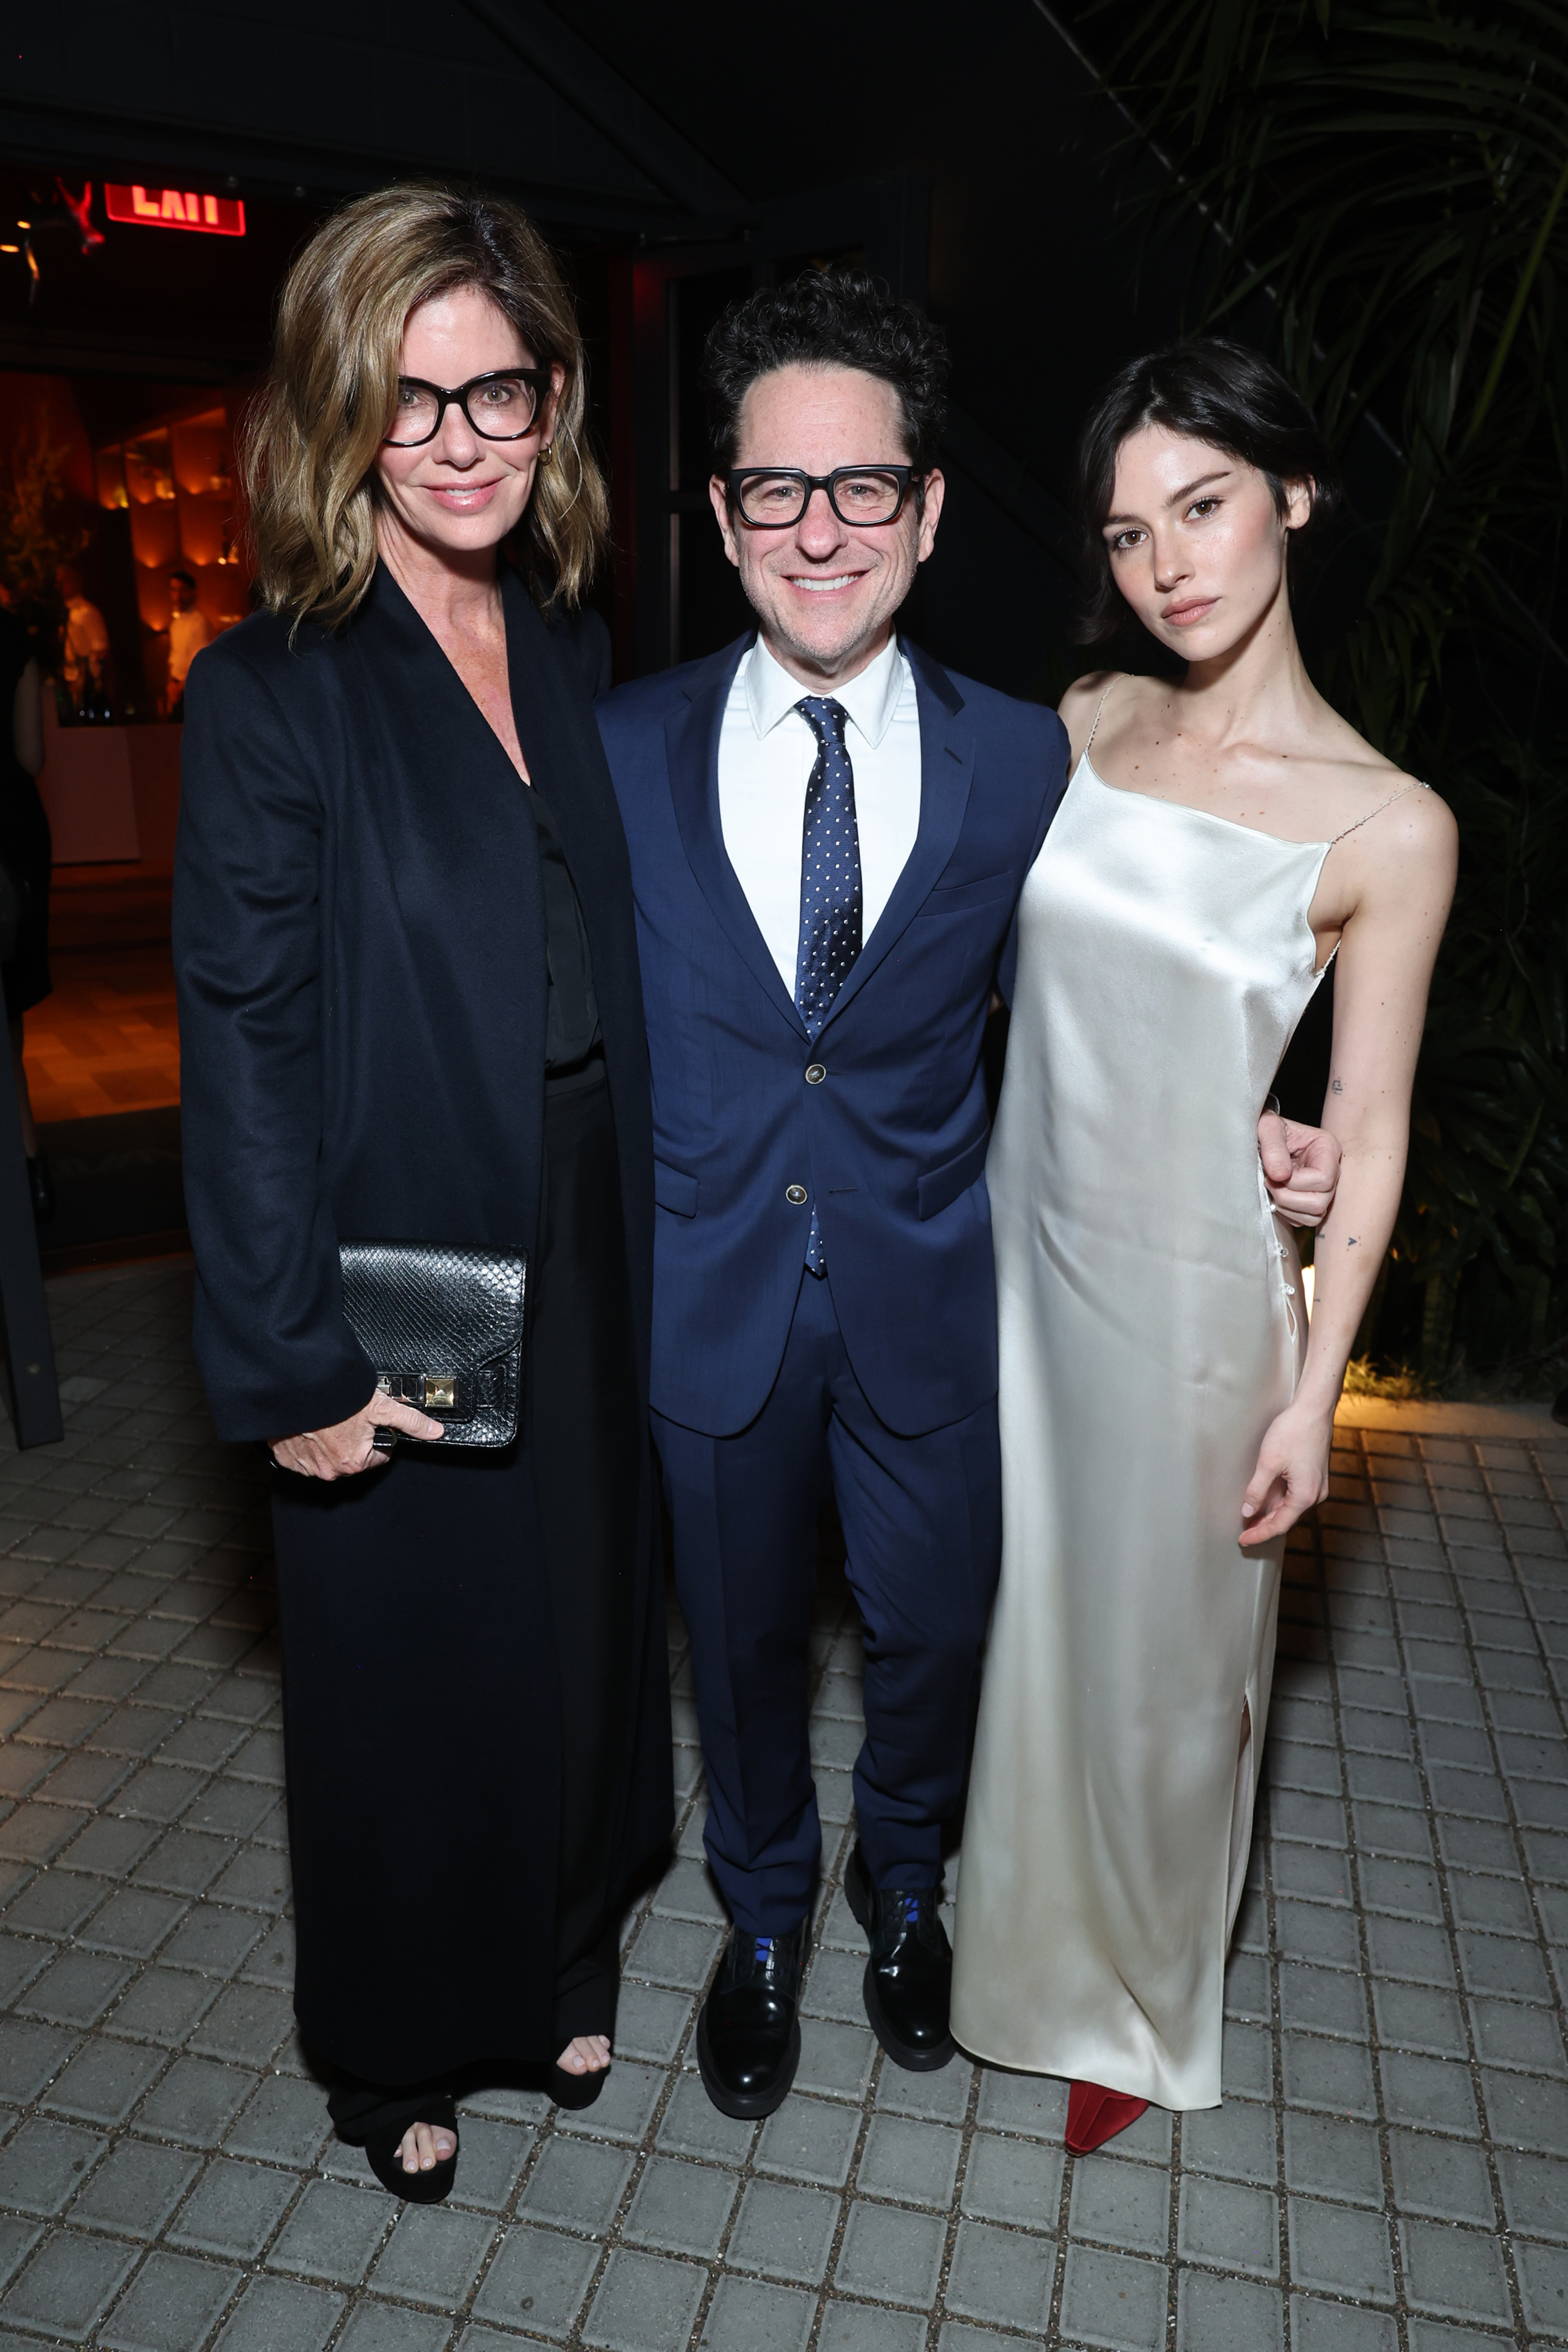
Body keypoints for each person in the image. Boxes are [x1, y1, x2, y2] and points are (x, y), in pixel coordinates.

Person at [595, 278, 1336, 2120]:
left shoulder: (1030, 757)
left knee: (933, 1629)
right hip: (707, 1299)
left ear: (929, 515)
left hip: (938, 1293)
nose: (817, 530)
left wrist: (1257, 1126)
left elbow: (1141, 964)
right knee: (744, 1644)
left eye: (863, 490)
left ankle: (899, 1878)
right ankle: (762, 1909)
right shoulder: (619, 756)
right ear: (718, 515)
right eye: (775, 491)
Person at [173, 183, 671, 2201]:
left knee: (572, 1620)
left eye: (506, 392)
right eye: (417, 401)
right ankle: (397, 2048)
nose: (469, 441)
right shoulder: (275, 687)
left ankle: (557, 1942)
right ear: (341, 415)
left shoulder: (558, 631)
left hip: (585, 1201)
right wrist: (285, 1346)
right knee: (407, 1667)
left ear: (555, 398)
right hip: (396, 1243)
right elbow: (245, 1046)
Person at [951, 339, 1457, 2149]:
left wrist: (1315, 1393)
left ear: (1296, 496)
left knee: (1170, 1665)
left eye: (1207, 504)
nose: (1169, 560)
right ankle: (1002, 1934)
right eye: (1130, 528)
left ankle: (1131, 2000)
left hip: (1192, 1296)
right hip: (1023, 1249)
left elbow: (1378, 1121)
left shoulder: (1391, 823)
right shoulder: (1085, 722)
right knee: (1019, 1618)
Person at [0, 604, 53, 1217]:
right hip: (10, 840)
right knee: (8, 1020)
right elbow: (32, 756)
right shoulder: (11, 633)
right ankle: (33, 1171)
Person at [56, 564, 111, 717]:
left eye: (65, 580)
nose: (60, 585)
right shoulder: (61, 614)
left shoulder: (87, 612)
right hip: (66, 681)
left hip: (86, 682)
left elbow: (101, 650)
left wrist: (86, 679)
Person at [163, 569, 212, 716]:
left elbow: (199, 661)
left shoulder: (201, 622)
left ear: (193, 592)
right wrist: (171, 684)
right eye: (174, 590)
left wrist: (180, 687)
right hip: (178, 690)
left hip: (194, 689)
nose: (178, 596)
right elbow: (175, 659)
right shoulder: (175, 624)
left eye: (182, 590)